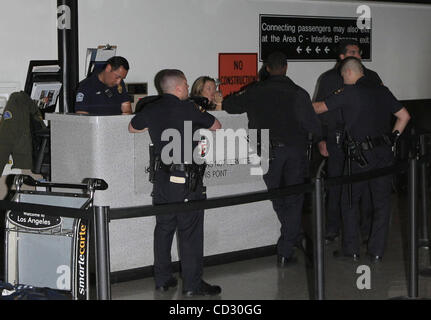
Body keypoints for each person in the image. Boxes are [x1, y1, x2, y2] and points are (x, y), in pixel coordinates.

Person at [221, 51, 322, 267]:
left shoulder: (255, 90)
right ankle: (289, 243)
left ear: (267, 68)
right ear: (286, 68)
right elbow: (312, 125)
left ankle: (291, 237)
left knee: (275, 195)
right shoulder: (298, 93)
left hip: (265, 148)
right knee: (294, 199)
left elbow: (230, 105)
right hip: (295, 149)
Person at [128, 69, 222, 296]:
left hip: (162, 179)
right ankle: (192, 285)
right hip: (187, 180)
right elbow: (216, 125)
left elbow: (133, 127)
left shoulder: (151, 108)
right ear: (179, 87)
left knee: (164, 228)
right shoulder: (190, 108)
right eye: (187, 85)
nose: (188, 89)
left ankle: (163, 279)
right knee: (189, 232)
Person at [313, 57, 410, 261]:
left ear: (348, 73)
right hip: (384, 155)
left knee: (349, 201)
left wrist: (298, 101)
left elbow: (319, 108)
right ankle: (376, 252)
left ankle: (352, 249)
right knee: (382, 203)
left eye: (342, 76)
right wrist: (392, 139)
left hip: (358, 157)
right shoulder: (382, 91)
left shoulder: (349, 92)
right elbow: (404, 117)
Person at [314, 40, 382, 245]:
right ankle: (332, 229)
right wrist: (321, 139)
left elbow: (380, 105)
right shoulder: (328, 78)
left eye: (359, 52)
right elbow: (318, 112)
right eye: (353, 52)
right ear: (342, 56)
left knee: (367, 188)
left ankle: (365, 230)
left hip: (365, 140)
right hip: (336, 138)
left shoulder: (371, 77)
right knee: (336, 185)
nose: (358, 55)